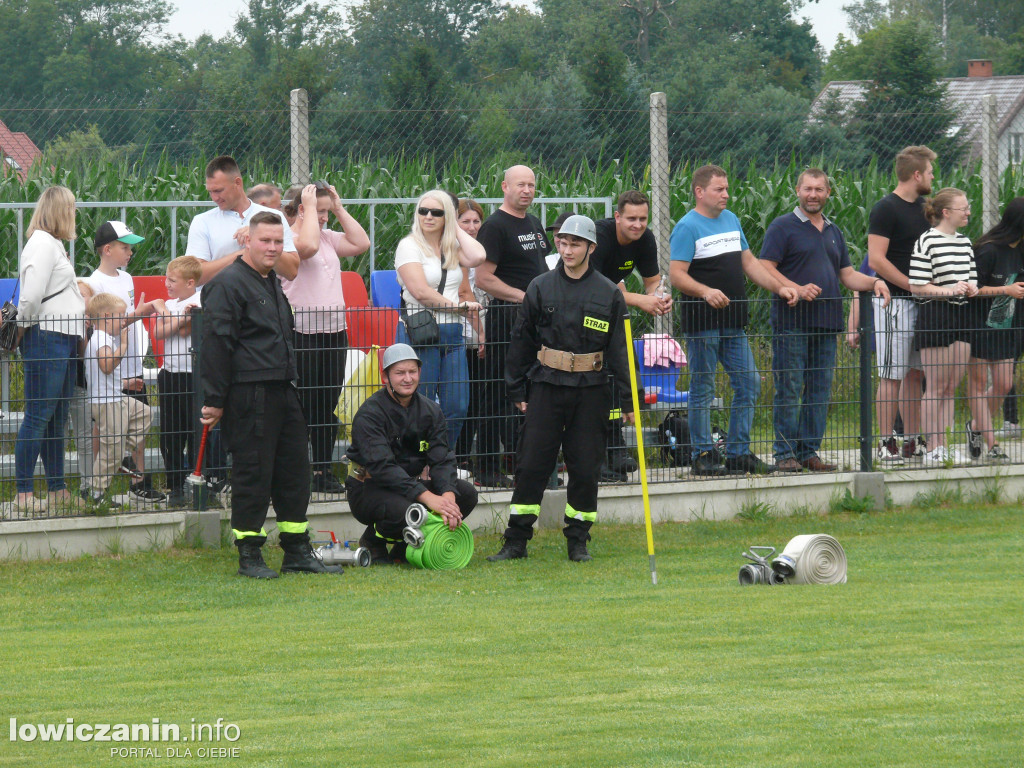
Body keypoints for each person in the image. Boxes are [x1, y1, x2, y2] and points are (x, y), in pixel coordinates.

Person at [199, 212, 341, 578]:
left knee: (296, 472)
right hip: (250, 394)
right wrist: (215, 400)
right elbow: (216, 346)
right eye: (266, 241)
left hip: (284, 389)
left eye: (279, 242)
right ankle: (249, 555)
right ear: (247, 240)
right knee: (253, 475)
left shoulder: (271, 281)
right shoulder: (227, 284)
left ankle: (296, 551)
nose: (273, 248)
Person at [487, 215, 633, 562]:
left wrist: (630, 398)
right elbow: (521, 341)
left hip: (591, 389)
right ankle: (516, 540)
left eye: (575, 244)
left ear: (590, 248)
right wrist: (517, 390)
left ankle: (578, 540)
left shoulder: (609, 293)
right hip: (546, 386)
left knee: (585, 466)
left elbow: (620, 351)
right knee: (532, 463)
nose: (567, 250)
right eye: (563, 243)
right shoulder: (540, 287)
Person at [669, 165, 799, 476]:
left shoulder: (731, 220)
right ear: (700, 192)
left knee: (749, 382)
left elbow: (749, 262)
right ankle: (703, 455)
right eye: (719, 189)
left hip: (733, 322)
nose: (726, 194)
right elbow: (676, 275)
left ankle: (738, 452)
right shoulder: (687, 227)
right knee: (703, 386)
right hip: (703, 323)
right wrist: (705, 291)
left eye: (727, 188)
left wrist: (780, 286)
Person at [759, 168, 891, 472]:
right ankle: (785, 455)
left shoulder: (834, 231)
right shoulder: (782, 227)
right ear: (797, 190)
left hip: (826, 323)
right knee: (790, 389)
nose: (813, 195)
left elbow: (847, 275)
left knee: (819, 390)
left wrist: (874, 282)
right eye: (808, 189)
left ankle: (809, 452)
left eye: (819, 189)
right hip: (791, 322)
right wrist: (793, 288)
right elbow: (765, 266)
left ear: (828, 193)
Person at [346, 343, 478, 564]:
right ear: (385, 376)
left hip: (409, 487)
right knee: (410, 510)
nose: (407, 378)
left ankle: (405, 546)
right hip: (369, 488)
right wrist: (427, 497)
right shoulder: (370, 414)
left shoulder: (431, 411)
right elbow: (383, 468)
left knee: (466, 494)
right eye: (400, 373)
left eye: (412, 372)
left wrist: (447, 496)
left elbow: (442, 458)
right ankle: (373, 539)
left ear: (420, 373)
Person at [282, 182, 371, 494]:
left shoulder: (329, 238)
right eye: (317, 212)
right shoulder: (290, 239)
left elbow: (361, 243)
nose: (323, 218)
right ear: (301, 209)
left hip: (334, 332)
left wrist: (338, 207)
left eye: (326, 213)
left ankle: (322, 469)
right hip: (302, 332)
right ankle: (298, 470)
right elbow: (304, 249)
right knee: (304, 403)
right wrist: (307, 214)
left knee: (327, 403)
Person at [11, 186, 87, 516]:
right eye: (71, 208)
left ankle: (57, 489)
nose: (74, 214)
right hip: (46, 337)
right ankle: (24, 492)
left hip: (64, 338)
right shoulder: (42, 245)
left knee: (56, 420)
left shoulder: (52, 244)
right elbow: (30, 298)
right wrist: (21, 332)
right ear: (60, 210)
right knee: (39, 416)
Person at [474, 165, 551, 487]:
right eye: (520, 185)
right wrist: (523, 297)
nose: (527, 190)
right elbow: (484, 278)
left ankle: (529, 467)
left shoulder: (534, 224)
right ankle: (488, 468)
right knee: (497, 392)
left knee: (534, 393)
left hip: (536, 321)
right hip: (506, 317)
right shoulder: (494, 226)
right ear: (505, 186)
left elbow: (549, 266)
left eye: (531, 185)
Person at [590, 190, 673, 481]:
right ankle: (595, 458)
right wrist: (639, 300)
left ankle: (616, 450)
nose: (637, 225)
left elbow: (652, 283)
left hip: (613, 314)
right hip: (584, 315)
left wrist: (659, 297)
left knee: (622, 382)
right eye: (631, 219)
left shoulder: (645, 239)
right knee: (596, 385)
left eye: (642, 219)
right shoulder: (599, 236)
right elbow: (595, 288)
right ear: (617, 217)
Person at [394, 190, 485, 448]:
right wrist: (459, 308)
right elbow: (421, 292)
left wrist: (455, 229)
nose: (429, 216)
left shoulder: (452, 247)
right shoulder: (409, 245)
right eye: (423, 211)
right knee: (419, 405)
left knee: (457, 405)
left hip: (452, 333)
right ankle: (416, 463)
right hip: (420, 330)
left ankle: (442, 459)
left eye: (437, 212)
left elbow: (478, 256)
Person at [85, 221, 167, 503]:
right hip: (111, 370)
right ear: (107, 249)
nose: (130, 252)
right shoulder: (94, 283)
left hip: (130, 363)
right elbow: (105, 325)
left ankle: (138, 482)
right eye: (124, 247)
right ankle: (99, 488)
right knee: (105, 430)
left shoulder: (127, 278)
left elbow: (122, 321)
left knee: (138, 421)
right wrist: (139, 313)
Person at [868, 145, 936, 464]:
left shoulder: (927, 209)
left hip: (924, 304)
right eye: (931, 171)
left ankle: (911, 439)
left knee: (915, 375)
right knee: (891, 374)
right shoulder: (886, 208)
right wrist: (910, 285)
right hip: (894, 303)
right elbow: (876, 260)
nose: (934, 177)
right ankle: (886, 442)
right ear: (917, 174)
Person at [908, 187, 978, 466]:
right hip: (936, 316)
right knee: (935, 387)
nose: (968, 213)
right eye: (964, 209)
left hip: (962, 316)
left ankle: (944, 445)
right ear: (946, 212)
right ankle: (932, 447)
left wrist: (971, 289)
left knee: (950, 387)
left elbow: (972, 278)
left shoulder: (965, 242)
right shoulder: (927, 241)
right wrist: (949, 291)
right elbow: (917, 287)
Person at [964, 197, 1024, 461]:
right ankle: (992, 444)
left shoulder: (1020, 250)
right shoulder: (988, 250)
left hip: (1006, 327)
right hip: (979, 325)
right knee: (977, 384)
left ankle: (975, 426)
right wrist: (1005, 290)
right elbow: (971, 290)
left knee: (1004, 383)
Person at [83, 293, 156, 506]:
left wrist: (125, 383)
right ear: (107, 317)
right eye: (120, 316)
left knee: (144, 413)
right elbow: (106, 366)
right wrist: (123, 345)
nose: (124, 321)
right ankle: (96, 495)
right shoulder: (100, 338)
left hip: (114, 396)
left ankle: (124, 454)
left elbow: (102, 375)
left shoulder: (103, 338)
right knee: (109, 453)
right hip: (107, 403)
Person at [186, 155, 301, 285]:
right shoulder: (202, 221)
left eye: (218, 191)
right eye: (210, 192)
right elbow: (193, 277)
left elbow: (291, 271)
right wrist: (246, 253)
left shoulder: (274, 216)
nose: (214, 198)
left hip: (261, 301)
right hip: (218, 302)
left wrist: (262, 237)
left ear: (237, 183)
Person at [151, 256, 203, 506]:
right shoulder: (170, 304)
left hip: (193, 376)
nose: (167, 284)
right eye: (166, 279)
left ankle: (195, 480)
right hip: (170, 375)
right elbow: (159, 333)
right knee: (171, 434)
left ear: (190, 282)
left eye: (172, 280)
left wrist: (169, 317)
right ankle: (175, 484)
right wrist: (175, 317)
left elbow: (184, 331)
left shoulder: (200, 300)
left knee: (194, 431)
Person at [453, 199, 489, 470]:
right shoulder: (457, 252)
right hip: (466, 334)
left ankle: (465, 455)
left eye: (476, 221)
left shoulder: (480, 252)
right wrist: (480, 334)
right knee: (466, 399)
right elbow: (465, 295)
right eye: (466, 221)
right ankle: (459, 456)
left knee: (477, 399)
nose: (472, 226)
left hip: (480, 328)